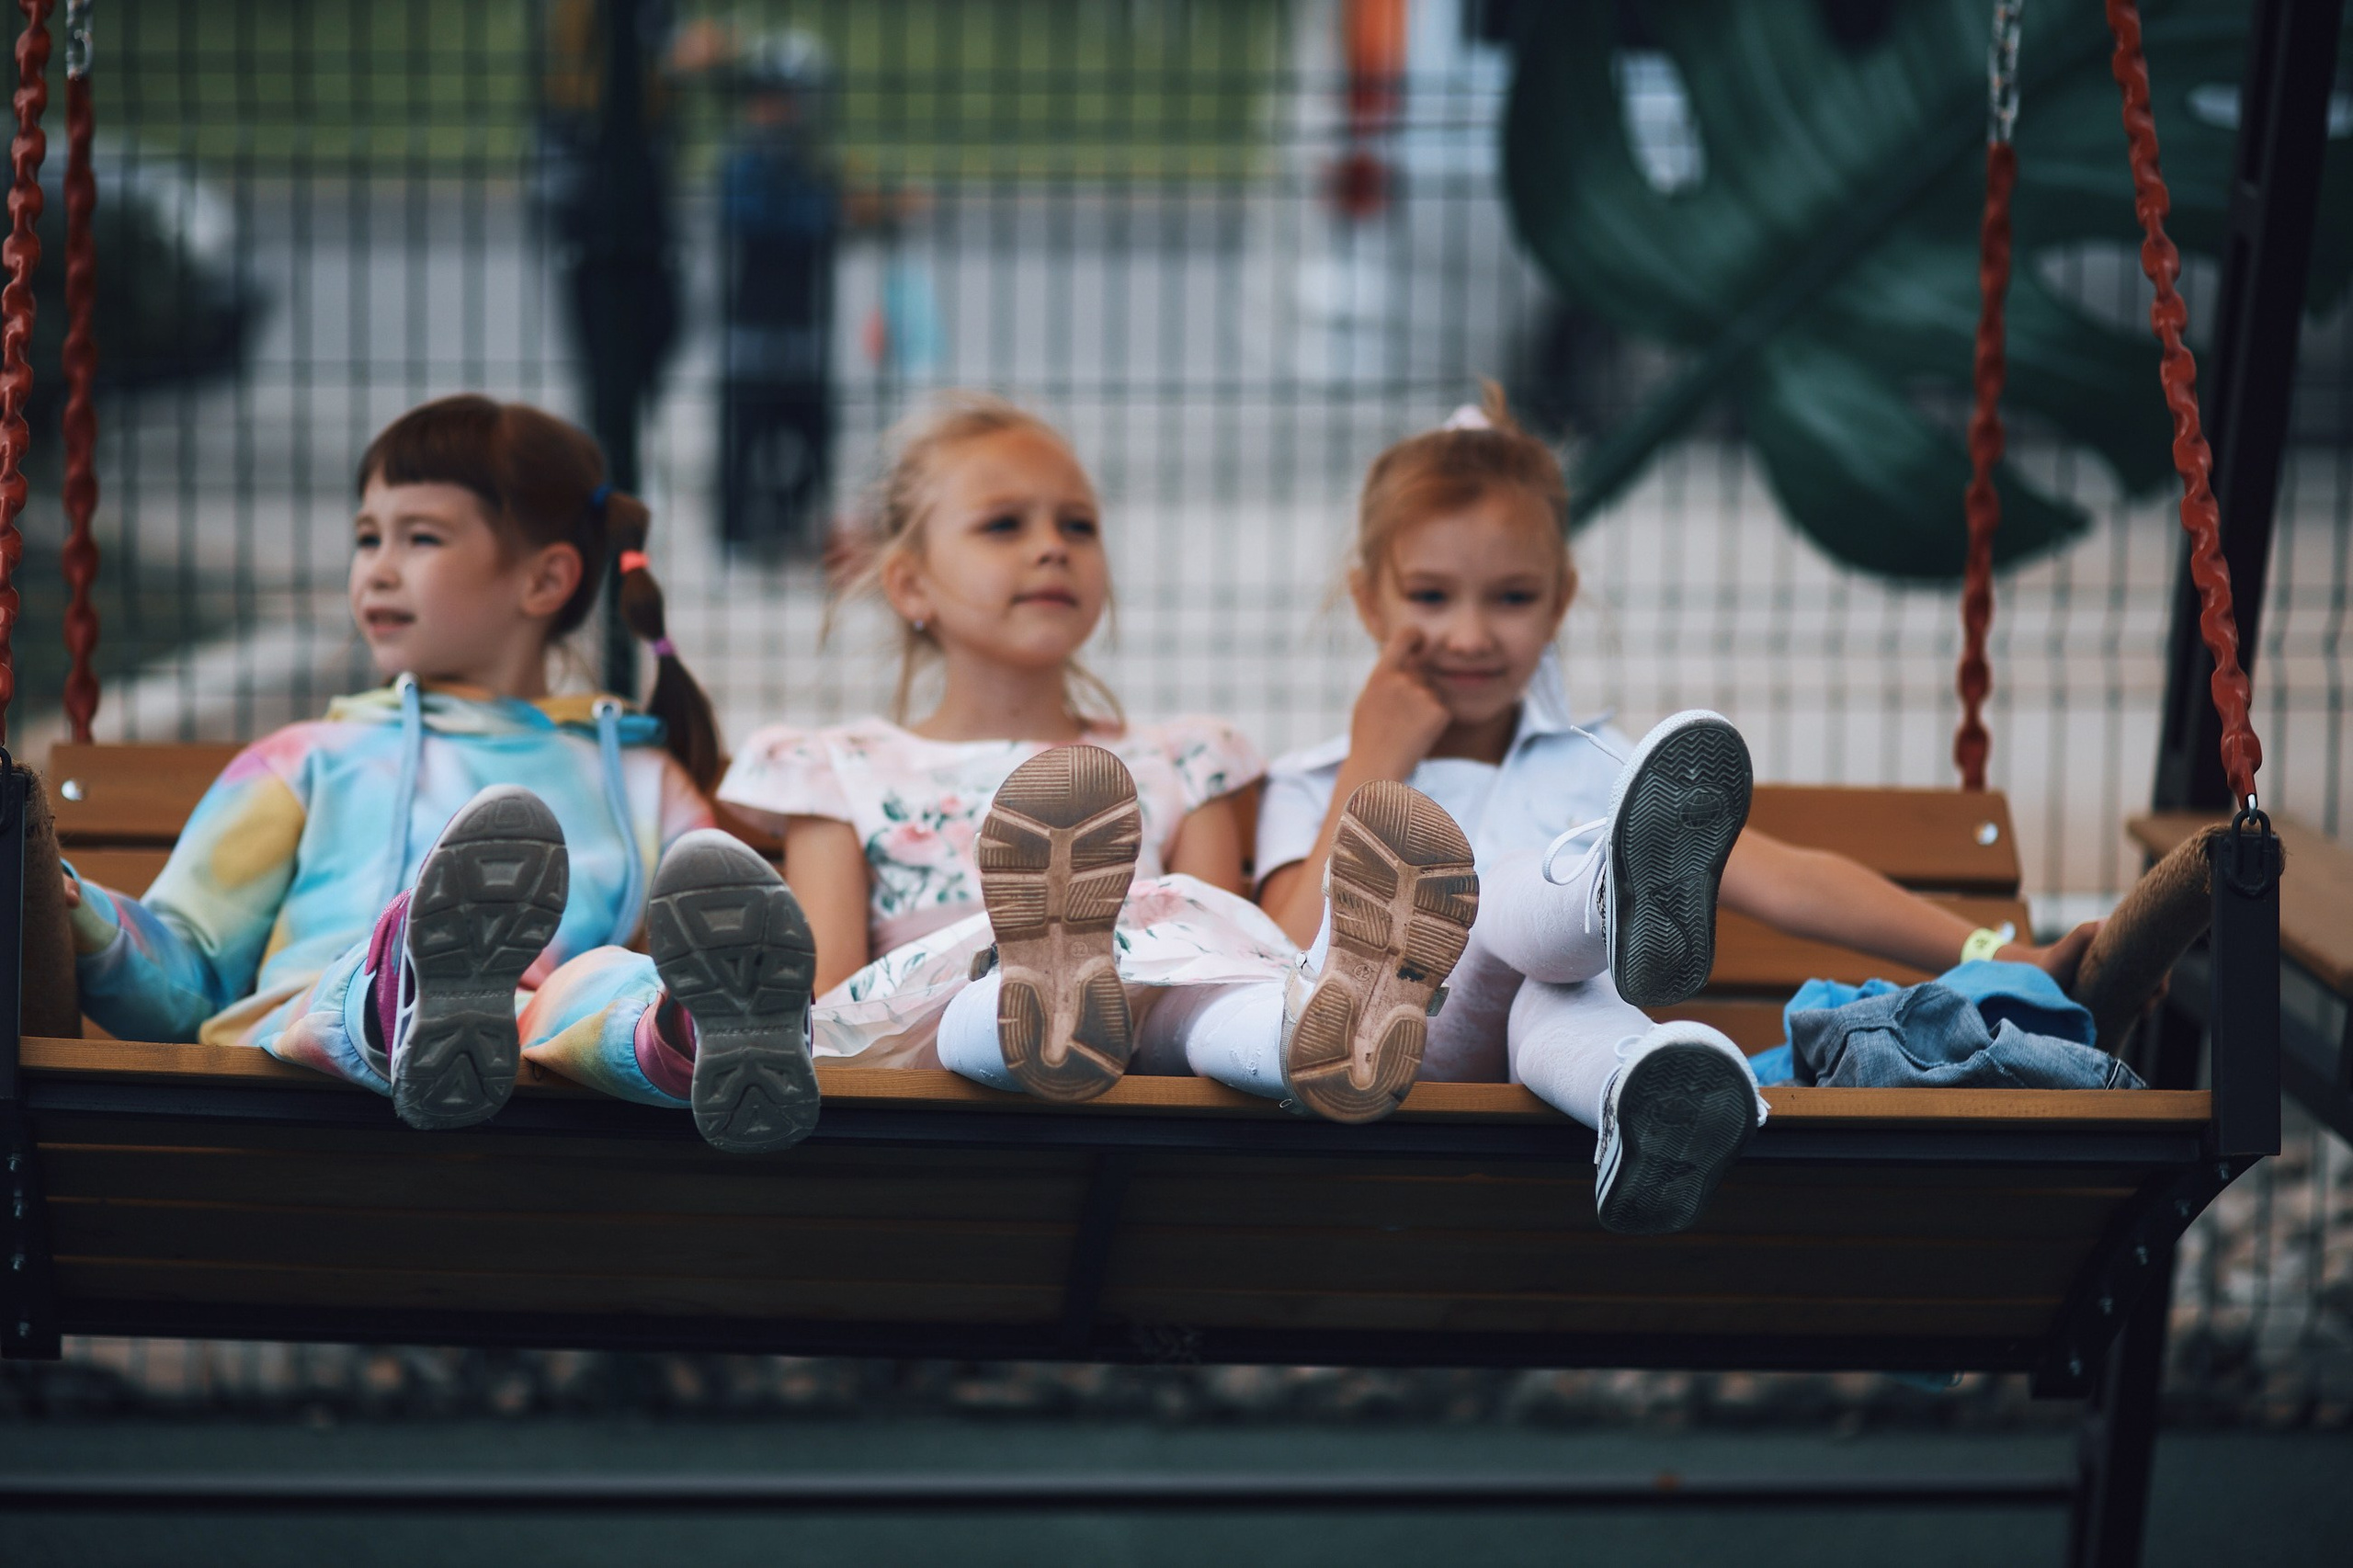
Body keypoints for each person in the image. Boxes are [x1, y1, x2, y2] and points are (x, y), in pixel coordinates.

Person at [1255, 388, 2101, 1230]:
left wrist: (2003, 953)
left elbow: (1790, 880)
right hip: (1383, 1089)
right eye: (1431, 597)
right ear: (1369, 601)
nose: (1471, 635)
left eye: (1512, 598)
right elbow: (1280, 952)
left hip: (1551, 1118)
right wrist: (1374, 763)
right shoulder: (1313, 782)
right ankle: (1594, 907)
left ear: (1560, 600)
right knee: (1525, 920)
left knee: (1561, 985)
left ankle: (1642, 1091)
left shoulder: (1601, 771)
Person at [63, 396, 818, 1153]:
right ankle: (397, 993)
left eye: (420, 537)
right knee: (350, 986)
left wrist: (673, 992)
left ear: (544, 580)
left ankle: (691, 1036)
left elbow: (689, 941)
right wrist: (77, 910)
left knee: (594, 982)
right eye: (368, 537)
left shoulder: (644, 782)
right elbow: (190, 967)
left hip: (525, 1064)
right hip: (302, 1059)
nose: (378, 569)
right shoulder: (308, 759)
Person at [717, 393, 1477, 1121]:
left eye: (1078, 525)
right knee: (985, 1002)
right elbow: (839, 1009)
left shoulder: (1181, 759)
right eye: (1003, 525)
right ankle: (1041, 1009)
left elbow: (1225, 947)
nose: (1053, 546)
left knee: (1219, 1001)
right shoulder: (840, 771)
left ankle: (1321, 1042)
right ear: (910, 585)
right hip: (946, 1047)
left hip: (1153, 1032)